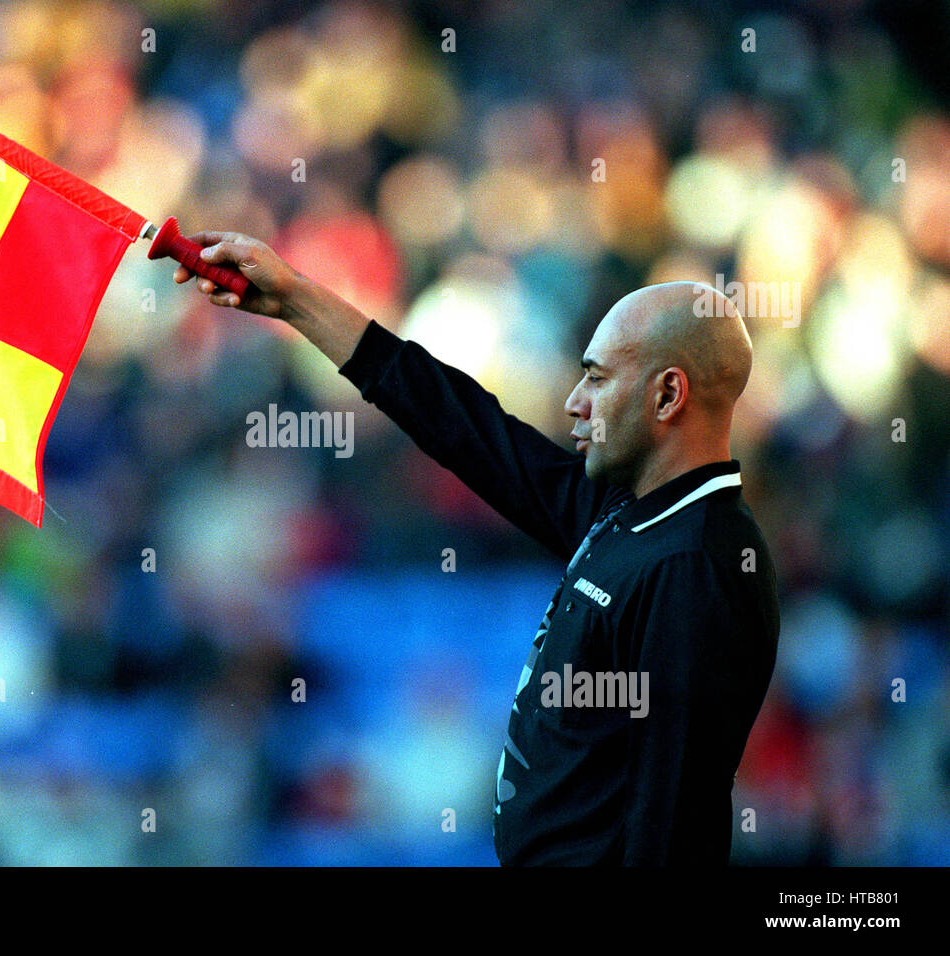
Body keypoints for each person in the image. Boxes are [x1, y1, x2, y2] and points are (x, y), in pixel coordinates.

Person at [169, 232, 780, 865]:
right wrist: (297, 302)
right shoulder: (629, 511)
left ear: (667, 394)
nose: (575, 402)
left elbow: (671, 823)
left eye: (597, 379)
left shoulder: (695, 565)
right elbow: (467, 429)